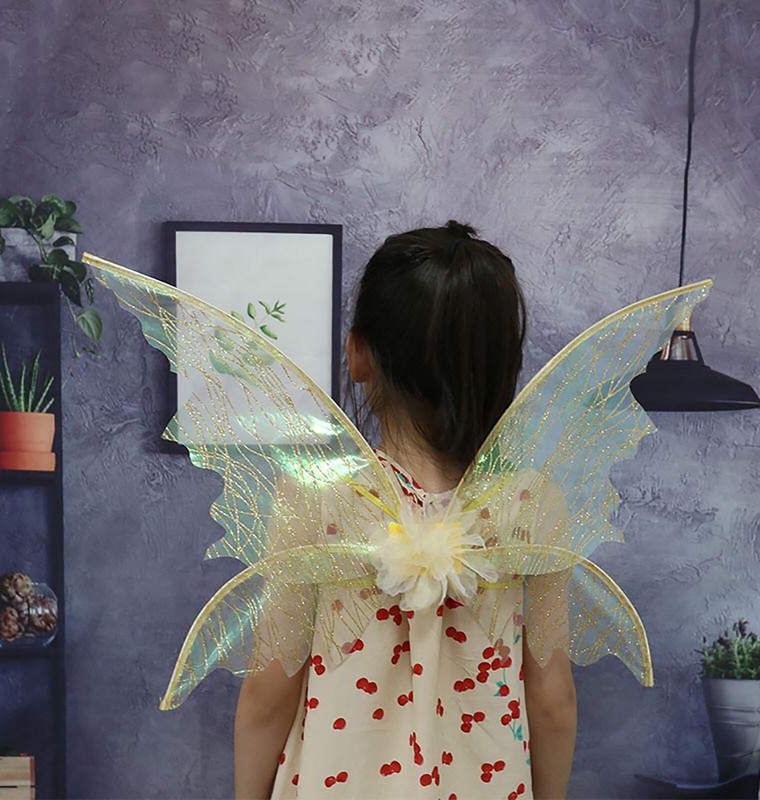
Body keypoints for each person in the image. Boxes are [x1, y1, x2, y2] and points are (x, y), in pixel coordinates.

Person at [234, 221, 577, 799]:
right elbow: (552, 697)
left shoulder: (316, 497)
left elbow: (270, 690)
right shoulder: (531, 504)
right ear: (503, 365)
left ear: (358, 355)